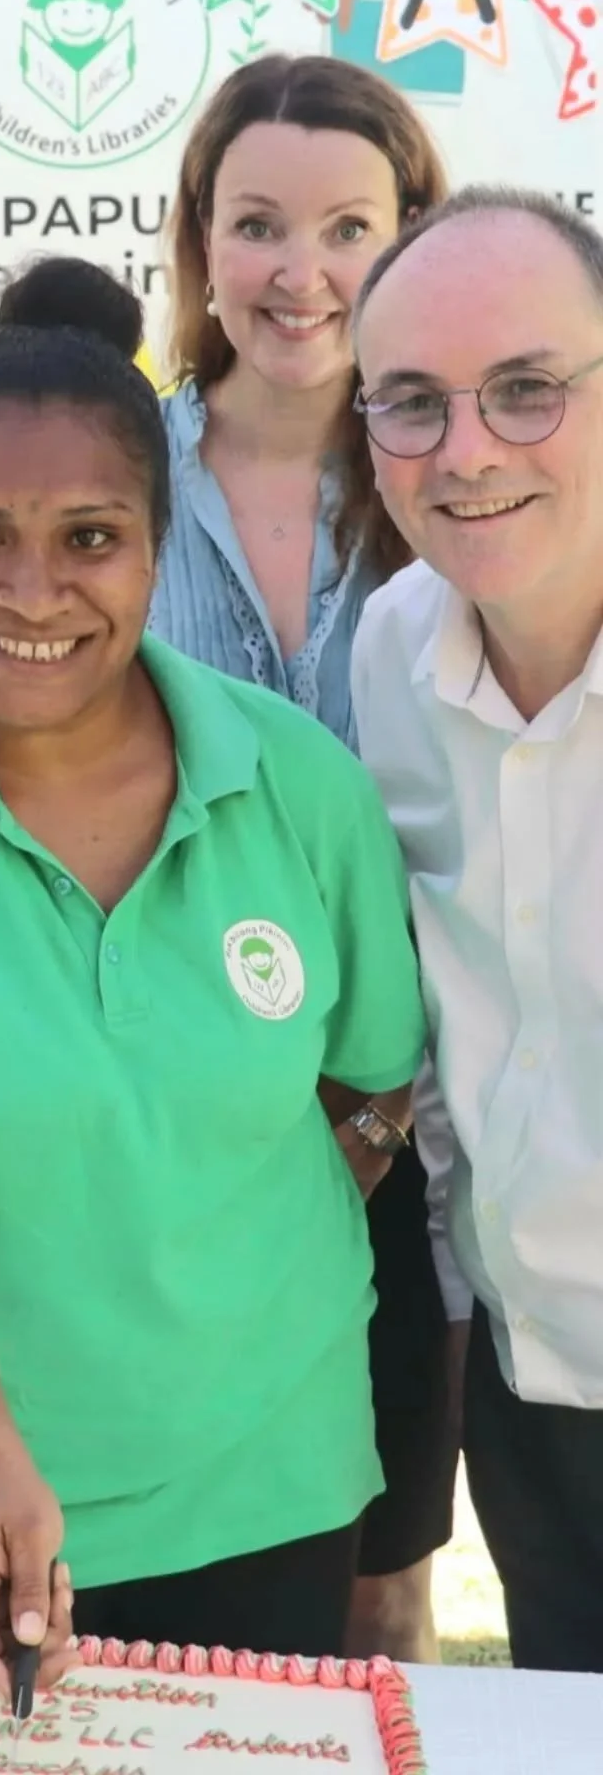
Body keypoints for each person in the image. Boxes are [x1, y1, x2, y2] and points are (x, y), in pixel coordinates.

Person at [0, 266, 427, 1693]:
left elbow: (369, 1087)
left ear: (156, 545)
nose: (31, 591)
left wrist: (203, 1248)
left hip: (265, 1492)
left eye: (90, 537)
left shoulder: (299, 785)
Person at [147, 54, 453, 1663]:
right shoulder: (109, 472)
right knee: (172, 1598)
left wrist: (381, 1115)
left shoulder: (468, 485)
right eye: (260, 222)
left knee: (380, 1585)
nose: (301, 271)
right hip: (164, 1136)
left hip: (419, 1129)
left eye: (350, 228)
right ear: (202, 238)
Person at [351, 186, 603, 1674]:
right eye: (412, 402)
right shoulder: (393, 649)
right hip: (531, 1393)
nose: (467, 451)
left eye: (525, 388)